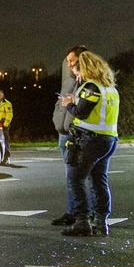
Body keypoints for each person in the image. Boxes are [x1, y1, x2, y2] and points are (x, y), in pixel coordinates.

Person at [59, 51, 120, 236]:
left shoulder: (92, 87)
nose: (78, 76)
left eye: (79, 72)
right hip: (109, 139)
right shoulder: (110, 88)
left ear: (86, 68)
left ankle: (82, 222)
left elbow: (81, 112)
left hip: (92, 140)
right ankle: (101, 222)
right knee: (98, 180)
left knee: (75, 179)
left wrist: (68, 103)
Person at [50, 45, 87, 225]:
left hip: (72, 133)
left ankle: (78, 214)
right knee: (70, 177)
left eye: (72, 60)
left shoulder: (84, 81)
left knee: (75, 177)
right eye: (68, 61)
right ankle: (73, 211)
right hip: (62, 131)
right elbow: (62, 104)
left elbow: (78, 107)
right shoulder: (69, 79)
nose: (70, 64)